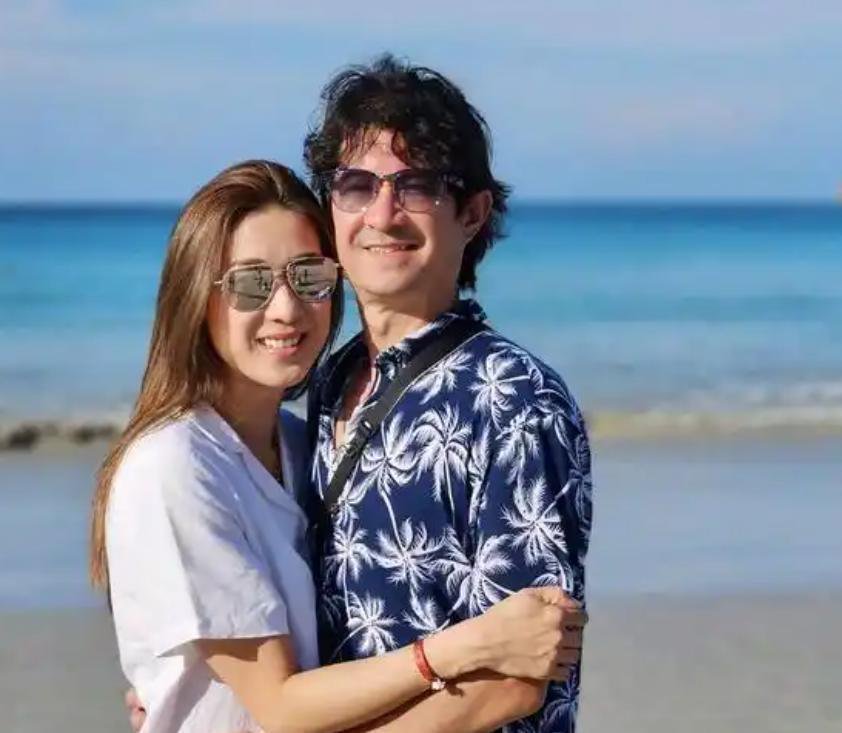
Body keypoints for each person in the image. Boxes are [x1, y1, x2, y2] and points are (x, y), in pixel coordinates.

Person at [91, 160, 586, 733]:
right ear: (196, 297)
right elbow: (280, 707)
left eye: (308, 277)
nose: (286, 309)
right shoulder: (175, 465)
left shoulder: (304, 442)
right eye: (250, 283)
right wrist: (461, 647)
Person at [299, 55, 594, 732]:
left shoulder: (515, 399)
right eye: (356, 185)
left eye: (417, 186)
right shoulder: (329, 381)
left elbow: (517, 679)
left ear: (473, 212)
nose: (382, 214)